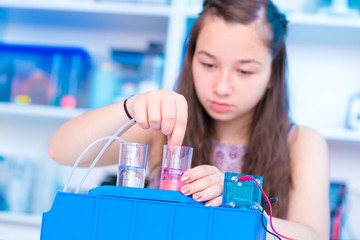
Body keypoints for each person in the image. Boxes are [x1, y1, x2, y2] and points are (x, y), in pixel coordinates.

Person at [49, 0, 330, 239]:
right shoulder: (162, 128)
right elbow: (62, 151)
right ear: (190, 58)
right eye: (208, 64)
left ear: (273, 73)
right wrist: (130, 106)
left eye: (244, 71)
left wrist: (243, 209)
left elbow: (314, 235)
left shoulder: (301, 142)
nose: (222, 87)